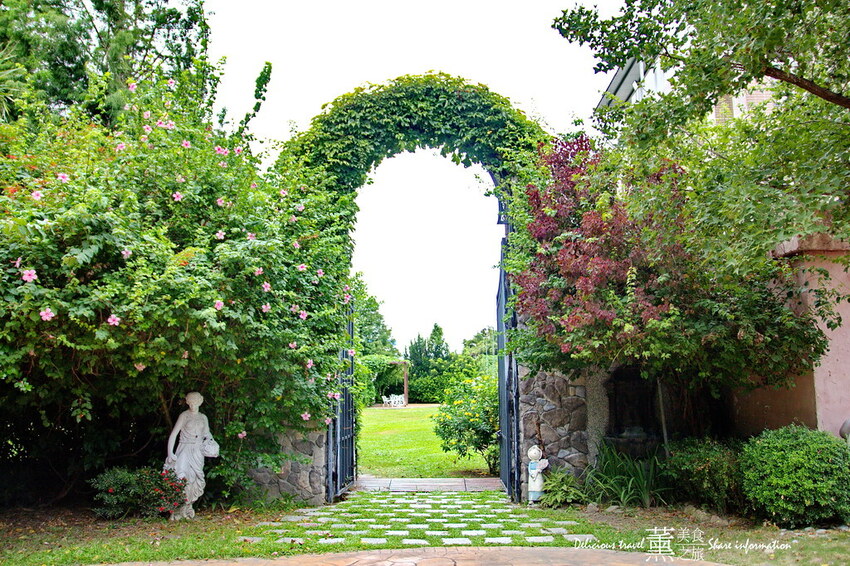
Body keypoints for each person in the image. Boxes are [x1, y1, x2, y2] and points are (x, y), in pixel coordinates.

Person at [164, 391, 218, 520]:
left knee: (194, 478)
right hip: (184, 448)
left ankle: (188, 506)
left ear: (200, 402)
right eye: (190, 402)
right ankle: (178, 509)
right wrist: (170, 452)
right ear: (187, 402)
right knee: (181, 476)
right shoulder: (184, 415)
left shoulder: (203, 417)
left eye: (195, 402)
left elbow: (207, 434)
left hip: (197, 450)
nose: (193, 405)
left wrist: (212, 443)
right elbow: (174, 434)